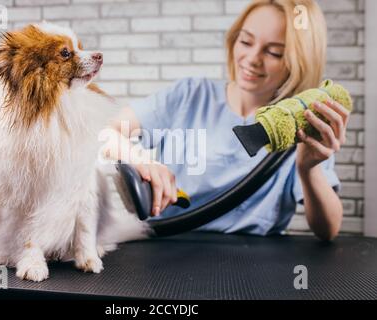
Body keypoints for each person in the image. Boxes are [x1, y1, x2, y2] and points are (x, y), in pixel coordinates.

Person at [105, 0, 350, 241]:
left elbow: (328, 229)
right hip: (167, 246)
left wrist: (308, 169)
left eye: (274, 52)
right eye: (245, 41)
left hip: (257, 261)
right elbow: (107, 132)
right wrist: (141, 160)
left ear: (299, 62)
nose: (252, 58)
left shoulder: (301, 126)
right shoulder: (189, 95)